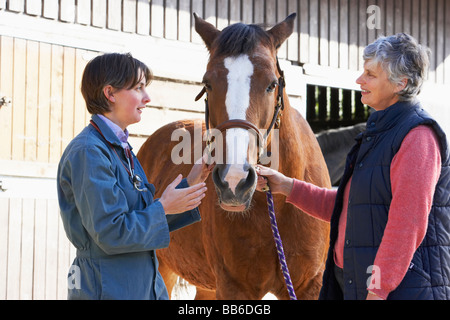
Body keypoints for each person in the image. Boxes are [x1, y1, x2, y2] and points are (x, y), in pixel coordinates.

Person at [256, 33, 450, 300]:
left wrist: (378, 290)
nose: (360, 80)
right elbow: (352, 206)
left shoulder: (417, 137)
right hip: (358, 284)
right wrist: (287, 186)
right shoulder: (379, 133)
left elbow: (407, 225)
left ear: (399, 83)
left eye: (370, 74)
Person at [57, 52, 213, 300]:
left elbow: (139, 218)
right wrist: (163, 207)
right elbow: (110, 232)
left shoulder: (121, 148)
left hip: (145, 288)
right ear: (110, 94)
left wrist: (191, 181)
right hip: (108, 289)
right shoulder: (89, 152)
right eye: (139, 88)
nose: (147, 98)